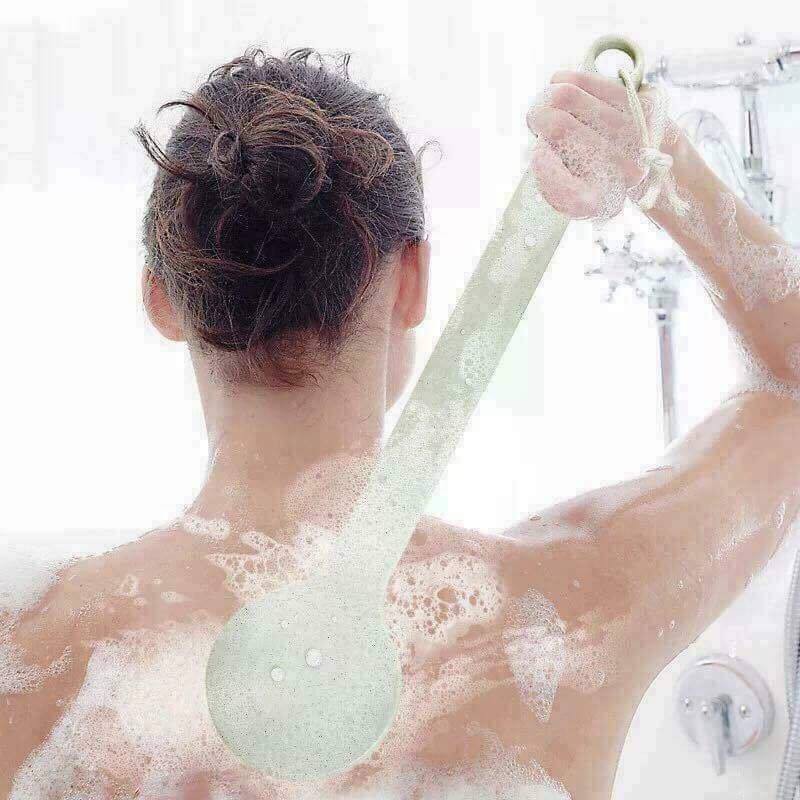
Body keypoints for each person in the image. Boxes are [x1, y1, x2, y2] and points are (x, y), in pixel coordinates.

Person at [3, 46, 800, 800]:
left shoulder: (35, 654)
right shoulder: (568, 614)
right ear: (412, 281)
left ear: (161, 301)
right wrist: (661, 165)